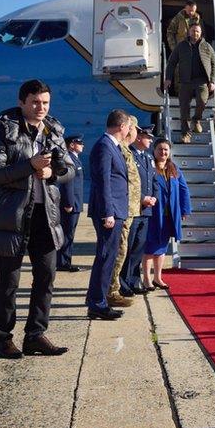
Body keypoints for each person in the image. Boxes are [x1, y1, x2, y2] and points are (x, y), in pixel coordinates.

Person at [0, 79, 73, 359]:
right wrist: (29, 166)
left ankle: (35, 335)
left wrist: (53, 174)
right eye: (35, 102)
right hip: (13, 217)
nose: (40, 107)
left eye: (45, 102)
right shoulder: (3, 133)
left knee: (46, 277)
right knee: (8, 282)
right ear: (22, 102)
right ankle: (3, 339)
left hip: (45, 216)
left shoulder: (53, 131)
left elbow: (70, 169)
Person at [86, 109, 133, 321]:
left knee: (108, 257)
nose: (130, 131)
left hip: (116, 210)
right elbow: (102, 182)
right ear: (122, 126)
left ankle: (98, 300)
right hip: (109, 212)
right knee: (105, 257)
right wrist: (107, 213)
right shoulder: (104, 147)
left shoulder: (111, 147)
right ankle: (97, 303)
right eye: (129, 127)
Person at [143, 138, 190, 290]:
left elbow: (183, 189)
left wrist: (184, 209)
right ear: (154, 150)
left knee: (162, 247)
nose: (163, 152)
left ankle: (158, 277)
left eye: (166, 150)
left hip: (170, 215)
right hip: (154, 214)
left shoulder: (174, 169)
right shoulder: (149, 167)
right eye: (160, 149)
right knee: (150, 247)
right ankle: (147, 279)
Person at [164, 23, 215, 143]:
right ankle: (186, 134)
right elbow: (171, 63)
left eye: (198, 31)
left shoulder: (206, 47)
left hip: (202, 81)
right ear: (189, 32)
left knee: (202, 101)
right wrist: (168, 79)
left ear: (201, 33)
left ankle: (196, 119)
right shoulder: (181, 46)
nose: (195, 33)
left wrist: (212, 81)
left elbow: (214, 64)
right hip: (185, 81)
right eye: (193, 31)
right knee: (184, 109)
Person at [108, 115, 141, 306]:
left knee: (122, 251)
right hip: (122, 211)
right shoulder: (118, 150)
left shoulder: (127, 151)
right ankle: (111, 290)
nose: (135, 132)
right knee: (118, 252)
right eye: (133, 128)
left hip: (130, 211)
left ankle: (114, 288)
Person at [120, 125, 157, 294]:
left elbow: (153, 181)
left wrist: (153, 197)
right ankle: (124, 282)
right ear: (139, 138)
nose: (150, 140)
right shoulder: (130, 155)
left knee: (138, 248)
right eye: (148, 137)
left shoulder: (148, 158)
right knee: (128, 247)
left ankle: (134, 281)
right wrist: (143, 198)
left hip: (146, 210)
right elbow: (130, 182)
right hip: (135, 208)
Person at [56, 134, 85, 272]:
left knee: (70, 233)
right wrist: (68, 203)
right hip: (70, 204)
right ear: (71, 145)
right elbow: (67, 182)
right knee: (66, 233)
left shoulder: (75, 159)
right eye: (79, 143)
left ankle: (65, 260)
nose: (82, 145)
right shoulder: (69, 160)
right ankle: (62, 262)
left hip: (75, 203)